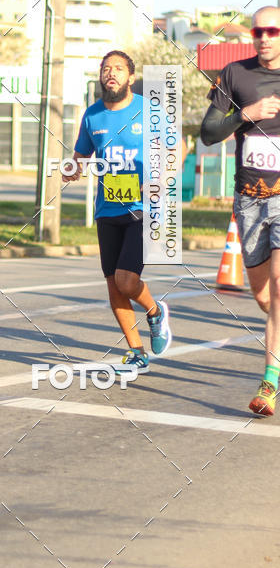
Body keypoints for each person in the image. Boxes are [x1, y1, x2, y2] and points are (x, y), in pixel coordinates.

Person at [65, 50, 173, 373]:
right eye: (106, 69)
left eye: (118, 69)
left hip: (144, 208)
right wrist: (73, 168)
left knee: (127, 280)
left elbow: (174, 149)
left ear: (131, 77)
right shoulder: (92, 115)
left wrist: (158, 179)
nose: (110, 73)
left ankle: (155, 312)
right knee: (114, 285)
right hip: (107, 209)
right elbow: (81, 156)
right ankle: (137, 351)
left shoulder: (148, 111)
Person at [201, 6, 280, 417]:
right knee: (265, 297)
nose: (264, 37)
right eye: (258, 30)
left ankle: (269, 382)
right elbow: (208, 133)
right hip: (248, 199)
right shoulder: (236, 74)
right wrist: (246, 114)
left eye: (273, 30)